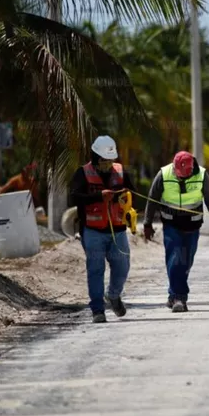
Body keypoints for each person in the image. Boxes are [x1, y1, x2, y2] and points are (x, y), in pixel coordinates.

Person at [143, 151, 209, 312]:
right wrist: (147, 223)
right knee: (175, 258)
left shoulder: (202, 175)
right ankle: (180, 297)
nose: (181, 179)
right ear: (175, 167)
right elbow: (152, 198)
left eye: (185, 176)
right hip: (171, 224)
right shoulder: (163, 174)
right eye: (179, 176)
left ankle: (172, 295)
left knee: (186, 261)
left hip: (192, 225)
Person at [69, 136, 134, 323]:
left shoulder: (121, 172)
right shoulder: (82, 173)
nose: (108, 163)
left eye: (110, 160)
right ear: (96, 157)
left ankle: (113, 295)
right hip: (92, 231)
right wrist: (98, 196)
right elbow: (75, 197)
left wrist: (122, 199)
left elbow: (132, 193)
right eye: (104, 160)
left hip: (118, 230)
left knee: (122, 266)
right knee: (96, 269)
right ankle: (98, 309)